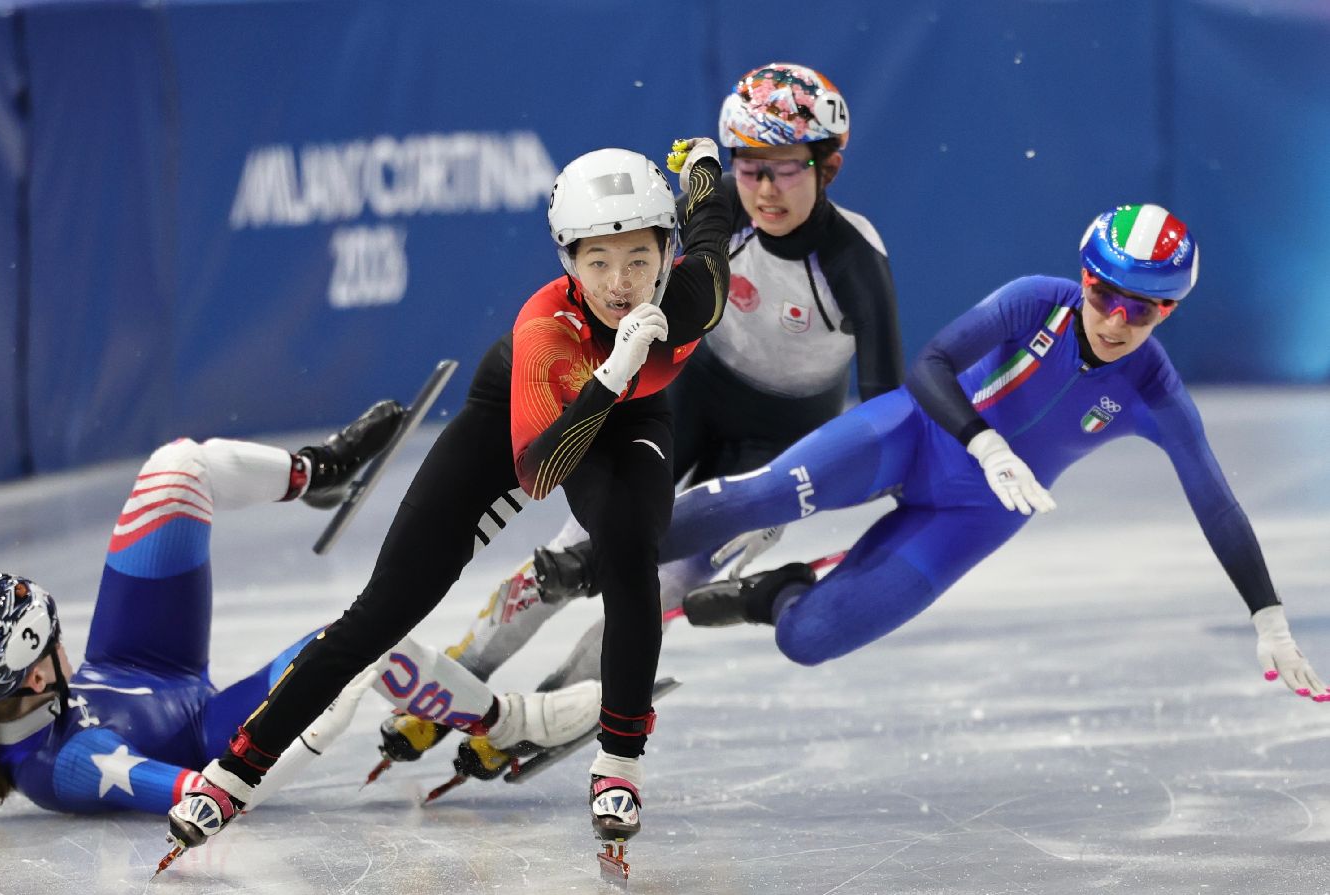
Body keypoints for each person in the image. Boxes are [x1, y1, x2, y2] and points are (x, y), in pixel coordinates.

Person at [168, 140, 732, 858]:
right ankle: (235, 773)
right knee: (384, 609)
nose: (620, 284)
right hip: (524, 421)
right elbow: (538, 474)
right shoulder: (545, 330)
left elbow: (710, 217)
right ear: (568, 262)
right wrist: (613, 371)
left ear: (666, 254)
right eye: (598, 262)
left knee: (629, 551)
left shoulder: (694, 295)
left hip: (629, 421)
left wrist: (702, 165)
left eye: (639, 261)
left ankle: (619, 761)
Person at [548, 204, 1325, 700]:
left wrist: (1269, 618)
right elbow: (932, 366)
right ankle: (591, 561)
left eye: (1142, 311)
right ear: (1083, 279)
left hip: (972, 515)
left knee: (808, 640)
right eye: (1103, 294)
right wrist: (983, 441)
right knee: (759, 496)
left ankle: (772, 593)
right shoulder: (1037, 301)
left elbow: (1216, 502)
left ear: (1168, 313)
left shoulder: (1154, 390)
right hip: (917, 433)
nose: (1115, 321)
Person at [380, 62, 903, 782]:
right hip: (683, 403)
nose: (765, 190)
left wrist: (889, 486)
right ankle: (456, 683)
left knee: (653, 592)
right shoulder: (720, 208)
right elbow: (626, 275)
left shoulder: (853, 261)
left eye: (785, 169)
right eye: (749, 167)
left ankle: (551, 709)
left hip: (776, 452)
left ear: (828, 166)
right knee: (564, 562)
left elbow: (884, 406)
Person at [0, 405, 600, 817]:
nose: (57, 645)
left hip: (134, 659)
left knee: (175, 470)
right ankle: (511, 722)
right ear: (37, 679)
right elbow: (208, 796)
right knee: (361, 642)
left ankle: (318, 473)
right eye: (50, 642)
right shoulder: (76, 761)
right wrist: (309, 735)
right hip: (205, 728)